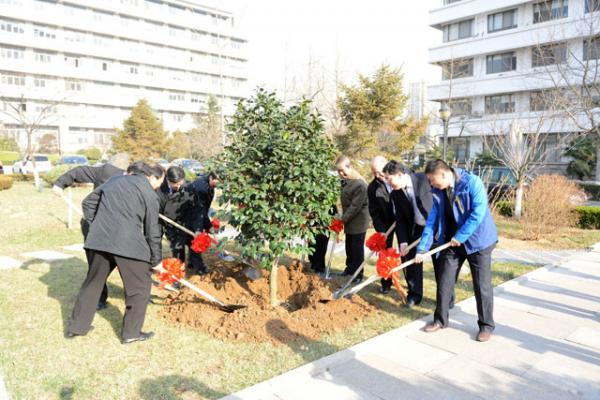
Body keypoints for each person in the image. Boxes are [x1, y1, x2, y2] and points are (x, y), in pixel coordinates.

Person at [67, 162, 164, 343]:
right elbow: (153, 231)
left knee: (93, 283)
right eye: (159, 182)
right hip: (128, 244)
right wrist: (157, 260)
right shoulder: (149, 192)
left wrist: (97, 224)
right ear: (149, 177)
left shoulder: (113, 181)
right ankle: (131, 333)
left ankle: (76, 327)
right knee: (140, 287)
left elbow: (88, 203)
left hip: (98, 240)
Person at [415, 159, 498, 342]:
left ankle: (486, 326)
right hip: (452, 242)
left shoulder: (472, 182)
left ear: (443, 174)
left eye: (432, 179)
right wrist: (422, 248)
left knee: (481, 284)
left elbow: (478, 213)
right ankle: (440, 320)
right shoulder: (438, 191)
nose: (431, 183)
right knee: (444, 280)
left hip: (478, 241)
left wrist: (460, 237)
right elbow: (432, 221)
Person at [52, 154, 138, 310]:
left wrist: (59, 184)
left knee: (98, 266)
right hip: (102, 225)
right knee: (121, 263)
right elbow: (78, 172)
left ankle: (105, 298)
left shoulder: (102, 172)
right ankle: (117, 297)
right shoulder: (117, 174)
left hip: (104, 225)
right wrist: (59, 184)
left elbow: (77, 171)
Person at [383, 160, 433, 307]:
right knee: (410, 260)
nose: (387, 182)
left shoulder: (424, 180)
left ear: (399, 174)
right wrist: (403, 241)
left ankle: (446, 298)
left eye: (389, 178)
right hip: (415, 228)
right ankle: (415, 294)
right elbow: (400, 220)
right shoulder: (395, 194)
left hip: (434, 228)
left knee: (441, 262)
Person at [336, 156, 369, 282]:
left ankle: (358, 273)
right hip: (349, 220)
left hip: (358, 221)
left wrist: (341, 220)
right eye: (338, 171)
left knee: (356, 248)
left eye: (342, 170)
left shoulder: (360, 184)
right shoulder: (346, 181)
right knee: (349, 246)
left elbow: (355, 207)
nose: (340, 173)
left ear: (349, 167)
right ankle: (349, 268)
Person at [367, 156, 396, 294]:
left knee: (406, 251)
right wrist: (381, 231)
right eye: (374, 173)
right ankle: (386, 282)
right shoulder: (373, 187)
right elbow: (374, 212)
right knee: (385, 253)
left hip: (403, 220)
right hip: (386, 223)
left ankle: (413, 289)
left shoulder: (398, 176)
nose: (377, 176)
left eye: (379, 172)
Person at [182, 171, 220, 275]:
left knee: (193, 243)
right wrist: (200, 228)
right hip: (190, 217)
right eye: (218, 181)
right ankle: (200, 268)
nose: (219, 184)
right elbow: (199, 210)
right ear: (211, 177)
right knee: (196, 242)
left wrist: (207, 224)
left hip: (199, 216)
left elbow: (204, 209)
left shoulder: (209, 187)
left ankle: (191, 262)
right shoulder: (200, 188)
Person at [157, 166, 192, 266]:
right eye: (174, 183)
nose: (177, 186)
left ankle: (184, 266)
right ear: (167, 180)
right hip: (164, 221)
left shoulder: (188, 188)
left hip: (181, 222)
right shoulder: (159, 188)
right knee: (175, 248)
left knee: (185, 245)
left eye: (179, 183)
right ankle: (158, 265)